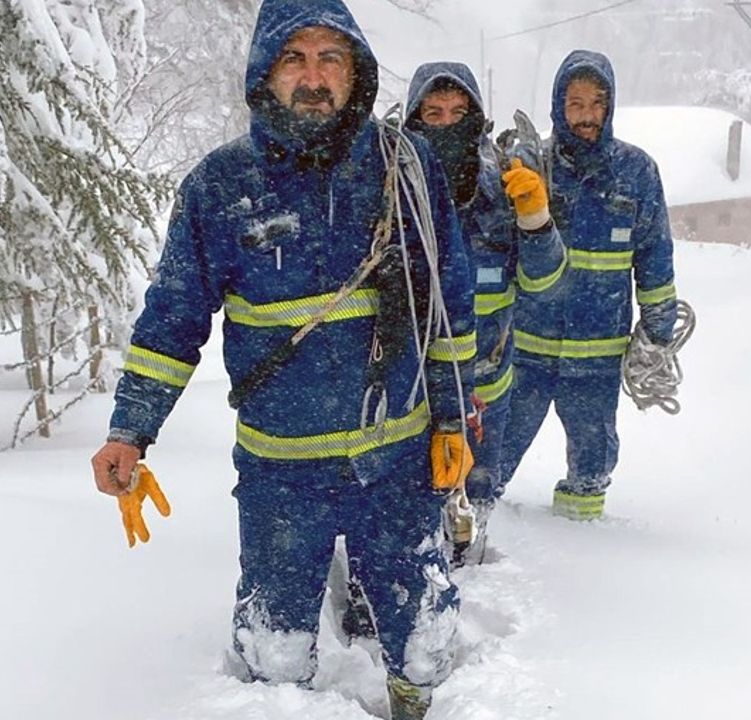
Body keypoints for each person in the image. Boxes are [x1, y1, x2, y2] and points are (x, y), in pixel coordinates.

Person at [88, 1, 477, 717]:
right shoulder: (218, 187)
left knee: (423, 640)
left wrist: (454, 416)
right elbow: (174, 317)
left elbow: (448, 298)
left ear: (355, 70)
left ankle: (412, 704)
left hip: (395, 459)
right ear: (265, 71)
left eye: (331, 58)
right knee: (276, 654)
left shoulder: (405, 165)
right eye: (294, 58)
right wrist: (130, 428)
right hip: (281, 475)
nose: (314, 76)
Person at [498, 50, 678, 522]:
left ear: (610, 106)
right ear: (559, 106)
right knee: (494, 452)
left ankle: (581, 541)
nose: (586, 115)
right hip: (527, 350)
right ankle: (473, 527)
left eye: (596, 103)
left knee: (592, 462)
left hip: (597, 355)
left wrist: (659, 328)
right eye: (575, 104)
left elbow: (655, 255)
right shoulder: (531, 165)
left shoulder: (637, 173)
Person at [402, 62, 565, 563]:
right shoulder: (395, 190)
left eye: (458, 112)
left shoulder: (504, 187)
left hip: (485, 391)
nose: (447, 124)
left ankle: (466, 574)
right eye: (434, 113)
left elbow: (544, 282)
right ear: (413, 121)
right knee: (408, 514)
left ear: (477, 119)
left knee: (474, 504)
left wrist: (536, 221)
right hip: (410, 395)